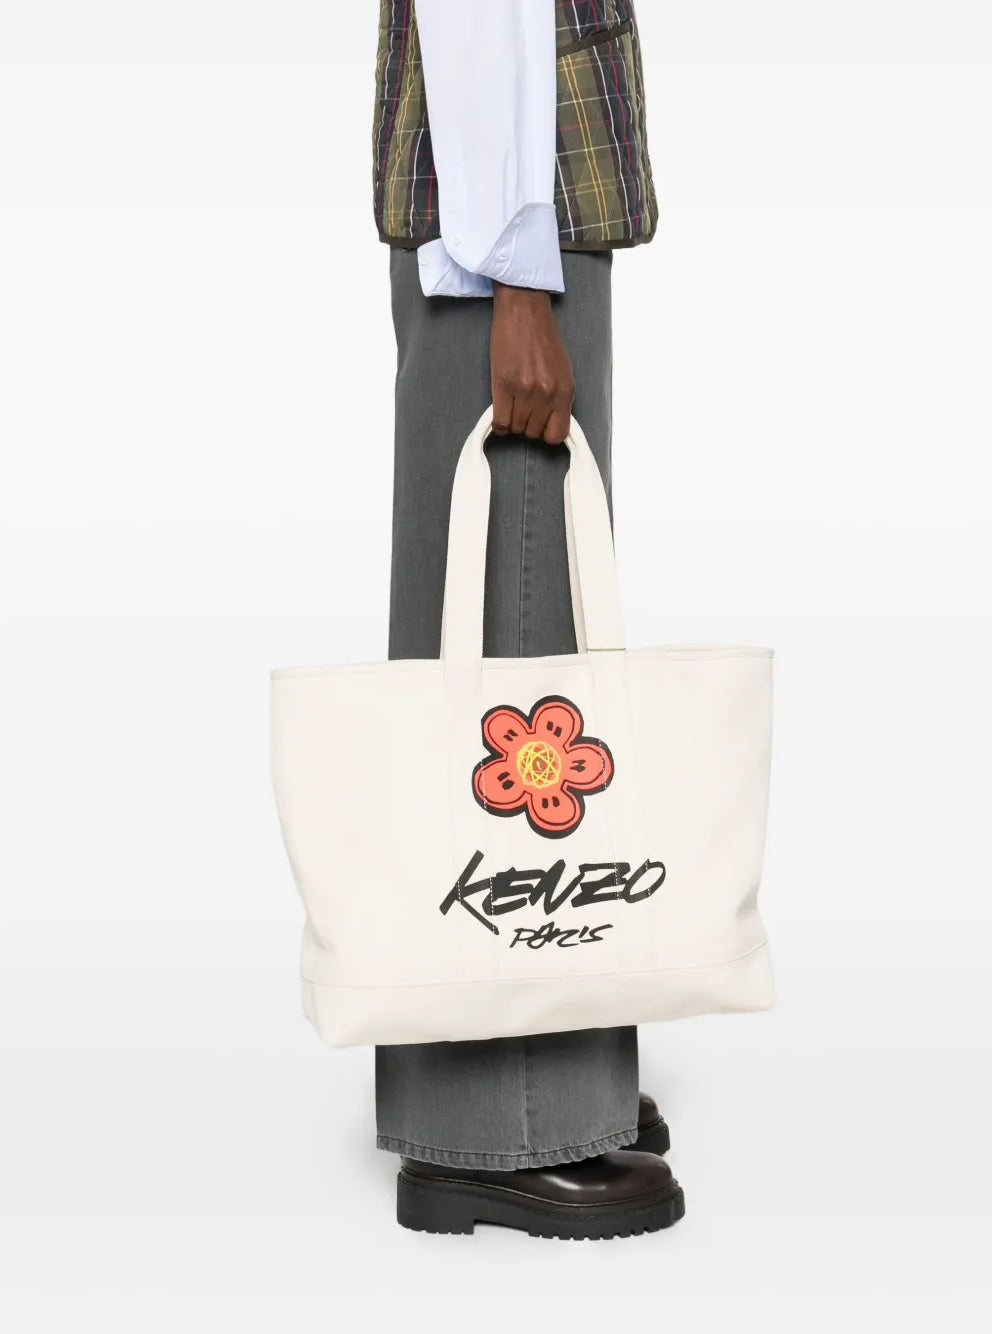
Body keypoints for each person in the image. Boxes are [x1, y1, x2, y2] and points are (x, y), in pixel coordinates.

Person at [372, 0, 683, 1239]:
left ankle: (519, 1078)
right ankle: (506, 1119)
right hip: (503, 244)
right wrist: (513, 276)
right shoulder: (510, 265)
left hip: (509, 229)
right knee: (521, 663)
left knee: (512, 655)